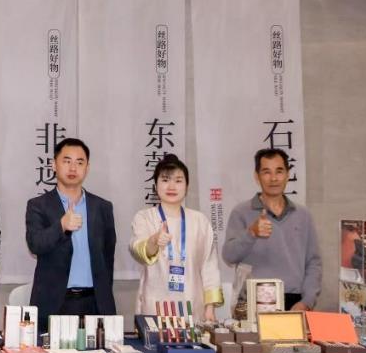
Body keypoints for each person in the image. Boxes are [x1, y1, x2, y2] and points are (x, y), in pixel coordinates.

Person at [25, 138, 116, 321]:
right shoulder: (38, 206)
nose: (73, 168)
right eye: (67, 161)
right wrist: (61, 226)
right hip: (55, 303)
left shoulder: (102, 207)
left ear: (87, 168)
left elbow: (108, 255)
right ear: (54, 165)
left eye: (79, 162)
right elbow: (35, 244)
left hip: (95, 303)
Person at [223, 148, 322, 311]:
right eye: (266, 172)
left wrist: (307, 301)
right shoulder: (241, 212)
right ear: (257, 176)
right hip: (252, 300)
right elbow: (229, 256)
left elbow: (314, 262)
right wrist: (251, 233)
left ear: (288, 175)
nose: (274, 178)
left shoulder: (303, 215)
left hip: (294, 302)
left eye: (279, 171)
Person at [128, 154, 223, 322]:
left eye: (178, 181)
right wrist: (153, 241)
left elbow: (209, 266)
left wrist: (210, 309)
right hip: (154, 308)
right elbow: (137, 250)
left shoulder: (200, 221)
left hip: (193, 308)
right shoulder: (145, 218)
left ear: (187, 186)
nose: (171, 186)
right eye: (165, 180)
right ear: (155, 185)